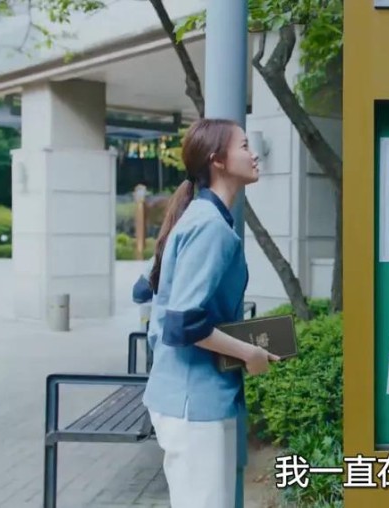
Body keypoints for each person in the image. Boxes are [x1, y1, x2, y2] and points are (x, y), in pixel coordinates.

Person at [141, 118, 280, 508]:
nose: (254, 155)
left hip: (190, 397)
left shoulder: (202, 217)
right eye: (244, 146)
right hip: (195, 402)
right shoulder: (210, 227)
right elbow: (184, 323)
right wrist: (249, 353)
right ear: (218, 160)